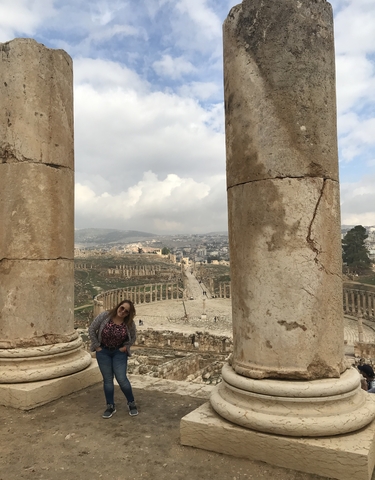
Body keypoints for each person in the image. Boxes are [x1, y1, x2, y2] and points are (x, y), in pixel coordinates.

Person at [89, 299, 138, 418]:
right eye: (122, 308)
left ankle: (131, 402)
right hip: (103, 351)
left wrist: (125, 347)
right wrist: (97, 346)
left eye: (126, 311)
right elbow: (91, 329)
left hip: (119, 352)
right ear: (118, 306)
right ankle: (110, 406)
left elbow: (133, 337)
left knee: (122, 378)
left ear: (129, 314)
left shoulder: (129, 323)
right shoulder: (105, 315)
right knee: (108, 380)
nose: (122, 312)